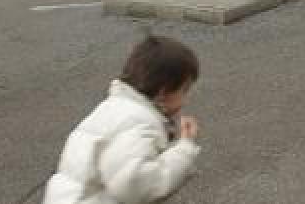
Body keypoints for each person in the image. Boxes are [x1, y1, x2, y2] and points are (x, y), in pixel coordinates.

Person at [43, 35, 201, 204]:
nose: (185, 100)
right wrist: (184, 149)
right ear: (163, 93)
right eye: (184, 90)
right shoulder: (139, 123)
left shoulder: (115, 108)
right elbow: (136, 185)